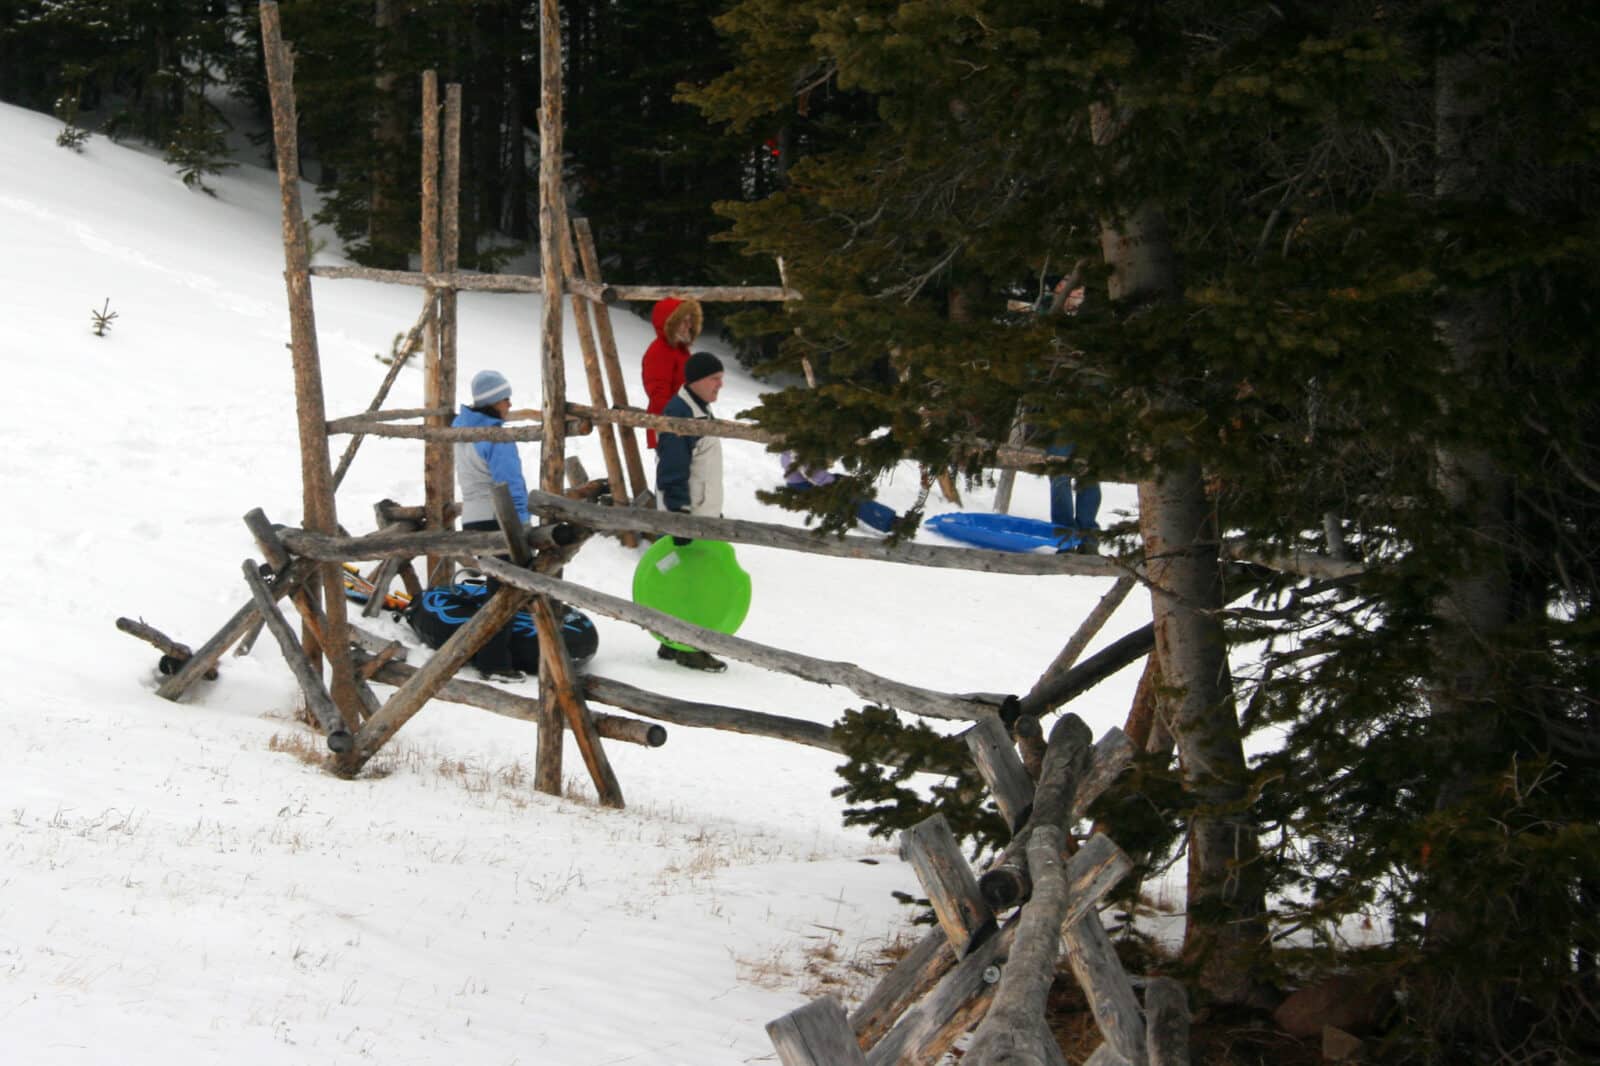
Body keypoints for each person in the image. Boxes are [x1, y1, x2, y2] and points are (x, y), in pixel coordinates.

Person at [450, 369, 528, 681]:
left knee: (497, 589)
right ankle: (494, 662)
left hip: (472, 518)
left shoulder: (462, 432)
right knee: (505, 592)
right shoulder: (497, 436)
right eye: (505, 398)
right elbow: (510, 484)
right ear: (493, 401)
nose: (510, 404)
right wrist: (521, 524)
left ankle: (484, 653)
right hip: (498, 518)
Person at [653, 351, 728, 672]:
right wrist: (679, 516)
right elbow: (672, 470)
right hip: (688, 515)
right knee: (693, 583)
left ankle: (671, 641)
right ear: (696, 380)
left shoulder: (698, 411)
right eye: (715, 379)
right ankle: (690, 648)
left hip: (702, 512)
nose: (720, 385)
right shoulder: (680, 415)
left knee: (687, 579)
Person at [779, 452, 899, 534]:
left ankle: (887, 519)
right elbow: (816, 476)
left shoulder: (796, 446)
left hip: (811, 483)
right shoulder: (796, 452)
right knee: (850, 500)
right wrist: (836, 482)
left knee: (850, 492)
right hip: (808, 487)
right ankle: (890, 522)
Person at [640, 297, 703, 450]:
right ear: (671, 323)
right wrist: (675, 428)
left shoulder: (680, 350)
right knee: (677, 474)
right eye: (684, 321)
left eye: (690, 321)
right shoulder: (660, 351)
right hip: (671, 431)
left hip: (686, 427)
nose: (689, 325)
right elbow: (659, 394)